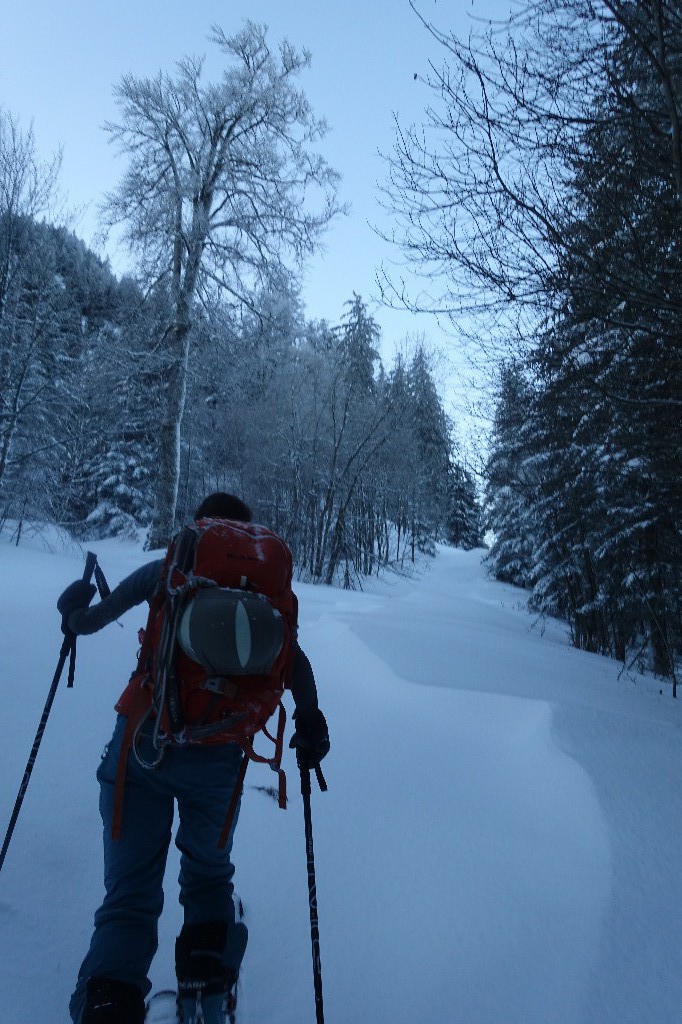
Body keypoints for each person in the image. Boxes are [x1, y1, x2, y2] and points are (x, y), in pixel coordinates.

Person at [57, 493, 330, 1024]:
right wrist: (311, 721)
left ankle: (108, 1008)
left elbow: (86, 623)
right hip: (219, 758)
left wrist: (71, 609)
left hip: (142, 746)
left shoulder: (171, 568)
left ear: (200, 526)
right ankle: (206, 1001)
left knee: (129, 896)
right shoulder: (261, 591)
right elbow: (295, 662)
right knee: (207, 878)